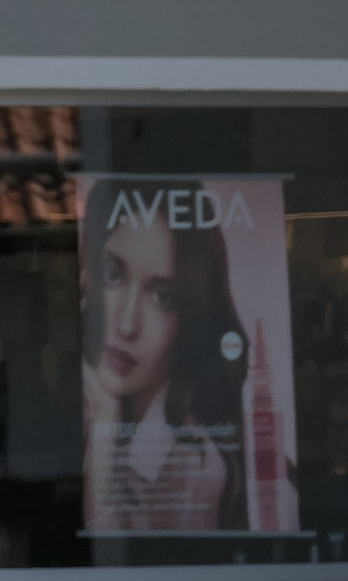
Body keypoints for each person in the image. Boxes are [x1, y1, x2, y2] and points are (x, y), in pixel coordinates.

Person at [79, 177, 248, 532]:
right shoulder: (82, 403)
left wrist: (104, 434)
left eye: (162, 298)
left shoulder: (193, 467)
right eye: (112, 274)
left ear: (190, 319)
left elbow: (109, 563)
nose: (128, 324)